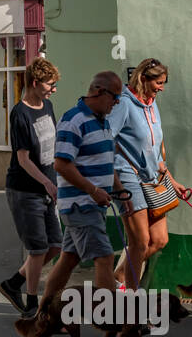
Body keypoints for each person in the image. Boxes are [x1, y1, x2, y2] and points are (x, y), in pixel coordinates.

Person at [29, 71, 133, 317]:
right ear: (98, 91)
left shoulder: (103, 121)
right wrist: (93, 190)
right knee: (105, 257)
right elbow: (61, 164)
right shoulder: (72, 120)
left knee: (68, 260)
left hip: (91, 204)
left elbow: (107, 161)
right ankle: (111, 318)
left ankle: (44, 315)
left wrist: (119, 192)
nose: (116, 103)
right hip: (80, 204)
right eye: (114, 98)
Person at [109, 57, 189, 290]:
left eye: (164, 82)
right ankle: (131, 301)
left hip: (153, 177)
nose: (162, 88)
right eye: (159, 82)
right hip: (127, 176)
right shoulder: (123, 103)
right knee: (140, 242)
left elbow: (156, 148)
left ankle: (119, 277)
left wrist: (171, 180)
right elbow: (106, 139)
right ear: (143, 78)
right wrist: (115, 180)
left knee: (159, 240)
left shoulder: (152, 103)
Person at [0, 58, 63, 314]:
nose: (53, 89)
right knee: (38, 249)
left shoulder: (47, 106)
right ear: (34, 83)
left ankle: (13, 284)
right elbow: (23, 158)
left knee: (55, 245)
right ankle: (32, 304)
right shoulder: (20, 114)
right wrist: (47, 182)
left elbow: (52, 147)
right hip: (25, 191)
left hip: (47, 188)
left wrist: (58, 179)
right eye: (50, 84)